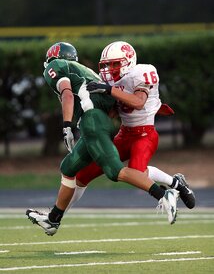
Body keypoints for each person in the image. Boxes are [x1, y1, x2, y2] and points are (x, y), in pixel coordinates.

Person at [26, 41, 179, 235]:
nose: (110, 69)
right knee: (69, 167)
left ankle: (164, 193)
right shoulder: (87, 71)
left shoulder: (55, 66)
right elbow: (113, 106)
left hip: (93, 122)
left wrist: (66, 126)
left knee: (115, 171)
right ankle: (53, 219)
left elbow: (67, 94)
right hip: (106, 121)